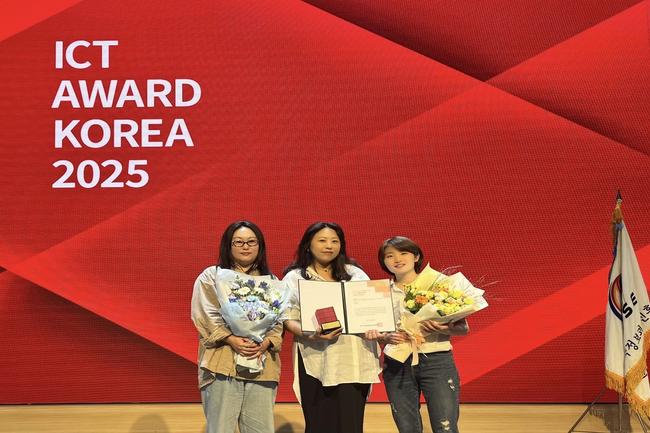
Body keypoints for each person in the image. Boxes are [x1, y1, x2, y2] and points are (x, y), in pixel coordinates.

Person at [283, 222, 381, 433]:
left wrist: (374, 328)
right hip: (315, 358)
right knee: (318, 423)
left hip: (353, 360)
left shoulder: (355, 274)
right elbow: (287, 318)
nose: (329, 246)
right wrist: (311, 335)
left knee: (350, 424)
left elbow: (369, 311)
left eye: (335, 241)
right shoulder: (295, 277)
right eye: (322, 240)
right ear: (308, 244)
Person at [369, 236, 469, 433]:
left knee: (445, 427)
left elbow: (463, 328)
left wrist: (442, 328)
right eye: (389, 256)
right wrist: (384, 337)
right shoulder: (378, 292)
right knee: (407, 428)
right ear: (383, 262)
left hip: (437, 360)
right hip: (397, 362)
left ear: (416, 257)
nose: (397, 259)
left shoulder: (438, 286)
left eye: (403, 253)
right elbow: (376, 330)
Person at [191, 220, 283, 433]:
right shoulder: (212, 276)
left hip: (261, 365)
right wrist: (231, 339)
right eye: (239, 242)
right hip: (222, 364)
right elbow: (205, 314)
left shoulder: (271, 280)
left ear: (260, 246)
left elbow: (279, 320)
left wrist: (267, 342)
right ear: (228, 245)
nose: (245, 247)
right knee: (221, 428)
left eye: (251, 242)